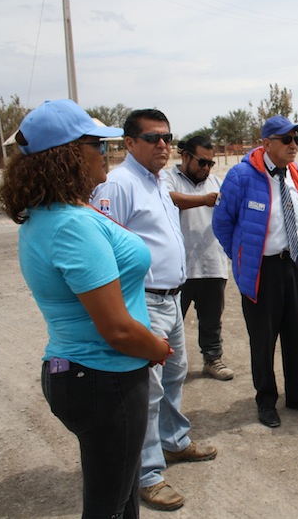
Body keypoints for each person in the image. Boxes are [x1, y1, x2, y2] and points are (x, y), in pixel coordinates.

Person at [0, 99, 173, 518]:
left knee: (122, 495)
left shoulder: (51, 214)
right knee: (108, 506)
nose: (106, 153)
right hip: (104, 379)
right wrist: (156, 347)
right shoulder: (71, 226)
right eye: (97, 144)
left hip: (85, 373)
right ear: (70, 154)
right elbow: (116, 328)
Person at [92, 109, 217, 512]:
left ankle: (174, 441)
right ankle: (146, 474)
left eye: (166, 137)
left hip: (171, 297)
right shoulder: (118, 184)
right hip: (143, 299)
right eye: (152, 138)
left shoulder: (156, 180)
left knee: (175, 373)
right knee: (147, 390)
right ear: (129, 143)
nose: (162, 144)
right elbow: (105, 251)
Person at [213, 115, 298, 428]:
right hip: (262, 270)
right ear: (266, 143)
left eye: (297, 140)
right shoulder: (241, 176)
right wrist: (241, 256)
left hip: (293, 264)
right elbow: (222, 223)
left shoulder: (296, 174)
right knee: (263, 339)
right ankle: (266, 400)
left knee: (297, 334)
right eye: (286, 140)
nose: (294, 146)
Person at [164, 135, 233, 381]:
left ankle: (212, 359)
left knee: (211, 320)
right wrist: (204, 200)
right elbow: (169, 199)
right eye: (201, 162)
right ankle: (167, 366)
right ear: (185, 157)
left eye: (210, 164)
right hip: (178, 268)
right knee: (171, 322)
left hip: (212, 264)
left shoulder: (215, 182)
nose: (206, 168)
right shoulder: (167, 179)